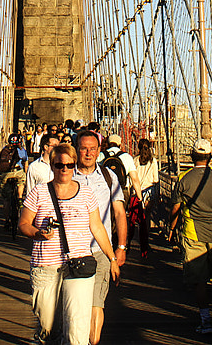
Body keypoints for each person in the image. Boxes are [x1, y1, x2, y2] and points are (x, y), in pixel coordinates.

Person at [20, 144, 121, 345]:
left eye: (69, 165)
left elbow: (97, 227)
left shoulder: (86, 192)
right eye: (59, 165)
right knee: (49, 329)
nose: (64, 169)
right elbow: (23, 223)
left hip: (79, 265)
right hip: (46, 267)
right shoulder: (39, 192)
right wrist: (38, 232)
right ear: (52, 166)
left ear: (74, 165)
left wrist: (112, 258)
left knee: (77, 331)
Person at [166, 137, 212, 334]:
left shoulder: (184, 179)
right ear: (210, 157)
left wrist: (171, 229)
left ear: (192, 155)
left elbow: (175, 209)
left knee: (199, 279)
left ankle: (205, 321)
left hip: (193, 233)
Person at [73, 129, 128, 345]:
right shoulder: (65, 174)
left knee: (97, 304)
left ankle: (92, 343)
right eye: (84, 149)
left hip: (101, 250)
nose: (88, 153)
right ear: (77, 150)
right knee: (76, 306)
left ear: (99, 151)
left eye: (92, 149)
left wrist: (121, 247)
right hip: (72, 252)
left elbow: (119, 213)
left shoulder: (109, 177)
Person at [131, 137, 160, 256]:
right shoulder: (153, 161)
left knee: (137, 218)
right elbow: (156, 179)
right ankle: (146, 241)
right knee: (146, 218)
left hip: (138, 192)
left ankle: (138, 239)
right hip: (149, 192)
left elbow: (132, 177)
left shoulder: (135, 161)